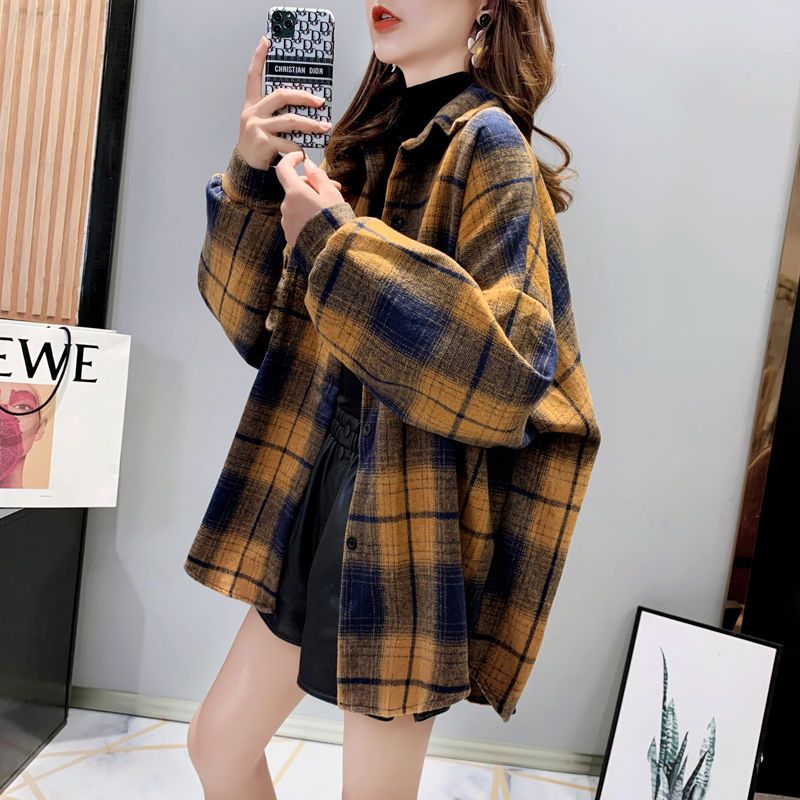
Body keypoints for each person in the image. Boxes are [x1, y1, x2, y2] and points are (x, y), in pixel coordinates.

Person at [185, 1, 601, 798]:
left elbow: (507, 375)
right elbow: (248, 321)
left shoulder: (489, 146)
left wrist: (338, 242)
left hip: (409, 504)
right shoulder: (362, 140)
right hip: (316, 470)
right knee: (214, 745)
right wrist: (250, 168)